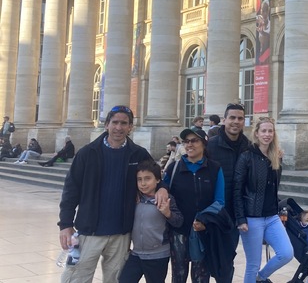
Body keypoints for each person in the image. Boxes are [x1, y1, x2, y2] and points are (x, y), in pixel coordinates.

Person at [58, 105, 165, 282]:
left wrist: (163, 188)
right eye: (115, 122)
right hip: (89, 231)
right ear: (106, 124)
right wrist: (65, 224)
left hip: (121, 233)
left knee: (115, 279)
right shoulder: (87, 153)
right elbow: (71, 190)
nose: (119, 127)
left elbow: (157, 177)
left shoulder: (138, 154)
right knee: (76, 277)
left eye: (124, 123)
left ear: (130, 127)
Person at [233, 116, 292, 283]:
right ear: (256, 133)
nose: (267, 134)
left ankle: (262, 277)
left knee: (286, 253)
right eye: (263, 131)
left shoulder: (276, 157)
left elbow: (273, 187)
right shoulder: (246, 157)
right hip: (252, 218)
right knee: (253, 263)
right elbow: (237, 189)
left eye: (270, 131)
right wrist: (240, 218)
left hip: (272, 216)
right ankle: (256, 276)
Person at [164, 128, 226, 282]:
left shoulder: (215, 168)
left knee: (201, 277)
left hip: (202, 230)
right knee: (178, 275)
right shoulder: (174, 168)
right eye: (186, 141)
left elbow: (219, 201)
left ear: (204, 144)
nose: (189, 144)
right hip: (179, 231)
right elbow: (163, 193)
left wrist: (204, 221)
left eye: (194, 140)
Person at [207, 102, 251, 282]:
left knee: (227, 259)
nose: (236, 122)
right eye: (232, 118)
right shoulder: (210, 146)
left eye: (240, 118)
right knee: (209, 258)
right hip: (215, 211)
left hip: (237, 212)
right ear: (224, 120)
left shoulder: (249, 146)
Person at [119, 160, 183, 283]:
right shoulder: (135, 198)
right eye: (139, 179)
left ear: (158, 180)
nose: (143, 183)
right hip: (136, 253)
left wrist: (168, 213)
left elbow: (179, 221)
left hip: (158, 256)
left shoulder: (166, 199)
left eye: (147, 179)